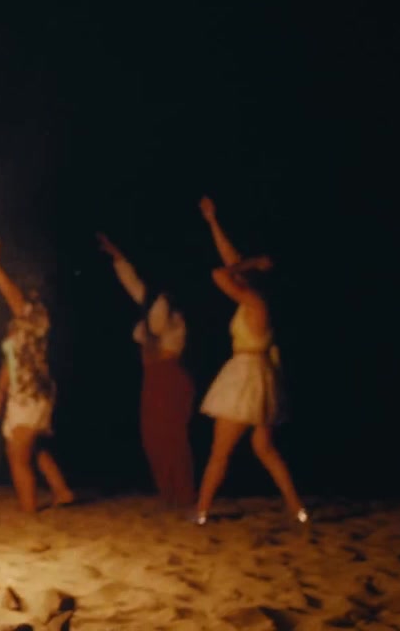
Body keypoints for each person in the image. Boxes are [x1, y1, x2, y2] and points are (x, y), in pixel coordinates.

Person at [194, 197, 306, 525]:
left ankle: (201, 512)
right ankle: (298, 509)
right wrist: (212, 221)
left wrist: (252, 262)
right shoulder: (256, 298)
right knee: (265, 449)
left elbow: (220, 273)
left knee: (221, 451)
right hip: (259, 376)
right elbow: (229, 261)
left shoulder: (256, 302)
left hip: (247, 377)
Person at [97, 233, 195, 508]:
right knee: (152, 436)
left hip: (170, 376)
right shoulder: (154, 304)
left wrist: (152, 297)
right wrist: (117, 256)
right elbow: (133, 285)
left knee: (173, 437)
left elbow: (154, 322)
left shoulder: (171, 314)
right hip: (154, 377)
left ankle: (183, 494)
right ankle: (168, 492)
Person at [0, 239, 75, 513]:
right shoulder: (19, 324)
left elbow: (12, 296)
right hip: (25, 393)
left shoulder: (36, 315)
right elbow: (10, 361)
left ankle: (28, 508)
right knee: (34, 448)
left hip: (31, 393)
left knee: (17, 455)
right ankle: (62, 491)